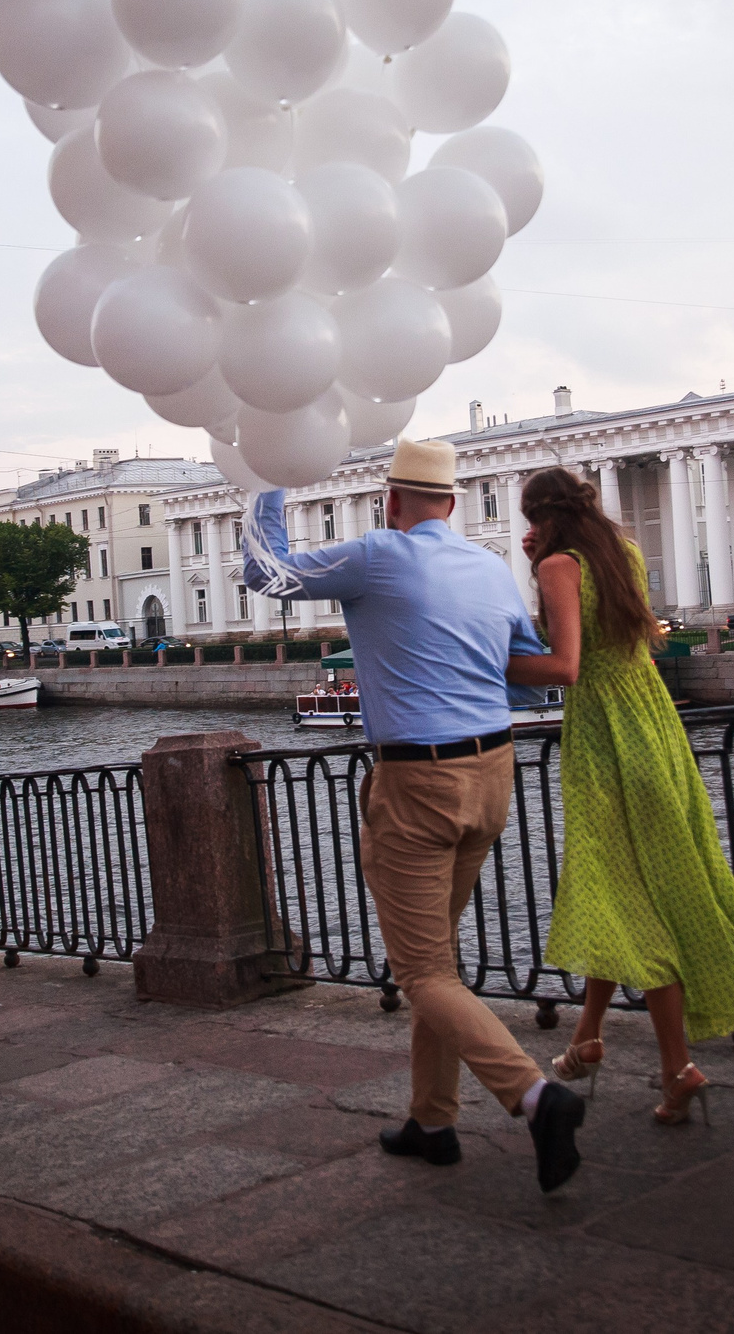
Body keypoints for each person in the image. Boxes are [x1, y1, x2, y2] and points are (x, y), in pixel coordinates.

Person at [244, 437, 589, 1192]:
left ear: (390, 502)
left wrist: (265, 480)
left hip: (418, 783)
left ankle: (536, 1096)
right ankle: (433, 1121)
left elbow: (262, 573)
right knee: (442, 960)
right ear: (456, 505)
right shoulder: (492, 569)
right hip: (491, 775)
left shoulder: (377, 554)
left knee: (423, 970)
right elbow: (530, 683)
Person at [510, 468, 734, 1126]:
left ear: (540, 516)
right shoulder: (621, 552)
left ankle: (678, 1066)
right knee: (622, 885)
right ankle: (589, 1035)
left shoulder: (558, 565)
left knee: (632, 899)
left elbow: (565, 666)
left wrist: (478, 660)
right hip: (653, 724)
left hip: (605, 735)